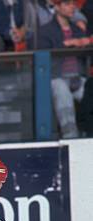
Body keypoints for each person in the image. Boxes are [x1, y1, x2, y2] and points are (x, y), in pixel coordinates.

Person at [37, 0, 91, 138]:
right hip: (56, 77)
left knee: (90, 87)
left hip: (78, 77)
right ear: (57, 7)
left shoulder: (78, 30)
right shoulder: (45, 31)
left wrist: (86, 43)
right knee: (62, 91)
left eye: (73, 4)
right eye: (67, 4)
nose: (72, 7)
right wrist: (66, 44)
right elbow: (44, 59)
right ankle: (70, 136)